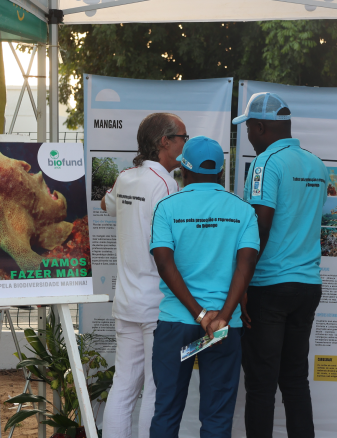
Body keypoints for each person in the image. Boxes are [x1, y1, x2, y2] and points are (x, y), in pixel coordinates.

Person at [149, 136, 259, 438]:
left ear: (184, 170)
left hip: (177, 325)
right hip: (223, 329)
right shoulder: (243, 210)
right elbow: (246, 265)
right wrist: (220, 317)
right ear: (221, 173)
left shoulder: (167, 208)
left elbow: (164, 263)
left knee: (167, 410)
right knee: (217, 416)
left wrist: (200, 315)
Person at [233, 92, 328, 438]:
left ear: (260, 127)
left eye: (248, 128)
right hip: (307, 286)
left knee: (261, 384)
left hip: (269, 287)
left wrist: (240, 285)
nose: (247, 135)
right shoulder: (315, 163)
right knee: (294, 381)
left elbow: (260, 224)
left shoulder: (265, 164)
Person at [100, 112, 188, 438]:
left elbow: (104, 205)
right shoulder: (166, 184)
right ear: (164, 142)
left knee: (123, 385)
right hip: (157, 303)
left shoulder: (126, 178)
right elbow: (176, 244)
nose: (185, 144)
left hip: (125, 301)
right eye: (182, 138)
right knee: (155, 387)